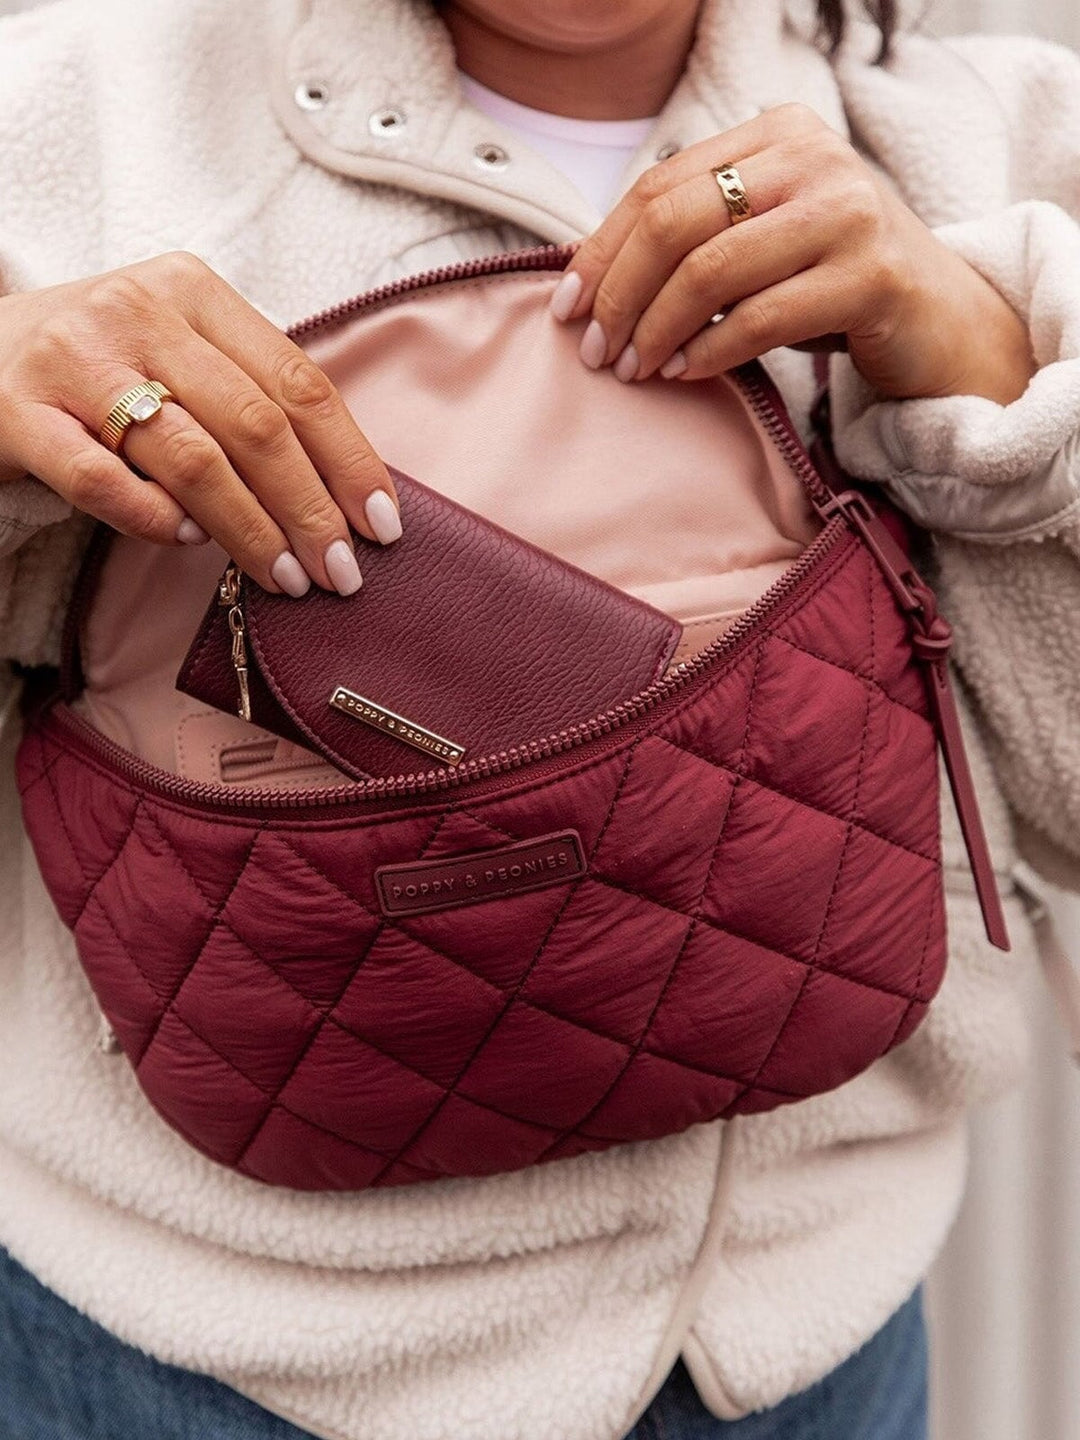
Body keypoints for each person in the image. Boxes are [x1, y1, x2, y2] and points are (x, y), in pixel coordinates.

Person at [0, 0, 1078, 1436]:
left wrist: (983, 366)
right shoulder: (66, 114)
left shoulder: (996, 142)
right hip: (203, 1365)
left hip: (811, 1347)